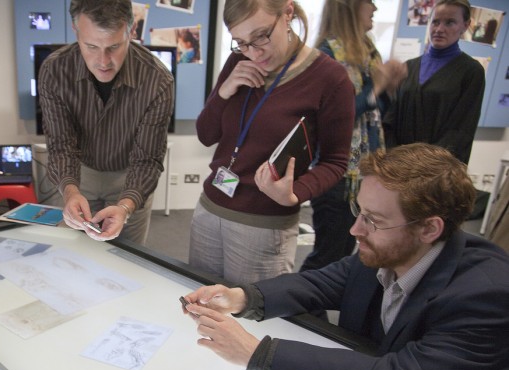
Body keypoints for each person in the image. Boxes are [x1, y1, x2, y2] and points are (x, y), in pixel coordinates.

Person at [182, 143, 509, 370]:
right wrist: (242, 297)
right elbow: (320, 283)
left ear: (429, 229)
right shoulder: (389, 249)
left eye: (373, 219)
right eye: (359, 211)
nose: (356, 230)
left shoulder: (486, 295)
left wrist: (257, 353)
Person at [189, 0, 354, 285]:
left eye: (261, 36)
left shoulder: (331, 78)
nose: (253, 52)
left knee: (249, 319)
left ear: (287, 13)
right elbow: (206, 135)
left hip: (264, 224)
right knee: (202, 308)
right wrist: (224, 92)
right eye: (241, 42)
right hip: (210, 210)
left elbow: (336, 161)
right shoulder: (237, 62)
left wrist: (296, 193)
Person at [38, 0, 175, 245]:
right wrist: (70, 192)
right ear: (75, 30)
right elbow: (61, 145)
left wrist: (125, 206)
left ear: (131, 32)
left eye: (114, 46)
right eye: (91, 46)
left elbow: (147, 159)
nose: (103, 61)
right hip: (79, 174)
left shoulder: (158, 79)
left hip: (130, 178)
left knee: (128, 257)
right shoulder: (54, 71)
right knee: (73, 255)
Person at [300, 0, 407, 272]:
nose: (375, 9)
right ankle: (303, 309)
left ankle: (312, 307)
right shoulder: (325, 56)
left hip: (363, 173)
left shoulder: (367, 53)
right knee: (328, 255)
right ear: (350, 7)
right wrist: (377, 88)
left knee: (344, 251)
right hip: (337, 172)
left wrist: (387, 89)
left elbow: (374, 111)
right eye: (369, 3)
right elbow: (333, 118)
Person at [383, 0, 485, 165]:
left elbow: (460, 131)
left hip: (435, 171)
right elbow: (390, 119)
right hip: (397, 166)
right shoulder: (409, 66)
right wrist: (395, 158)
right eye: (435, 22)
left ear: (465, 26)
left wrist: (423, 165)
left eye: (450, 22)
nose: (439, 29)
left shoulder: (471, 72)